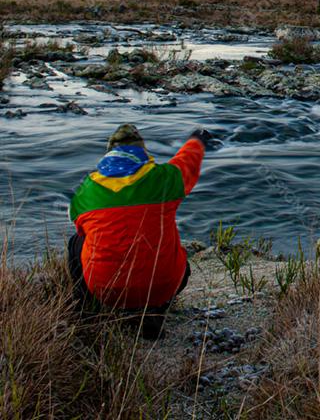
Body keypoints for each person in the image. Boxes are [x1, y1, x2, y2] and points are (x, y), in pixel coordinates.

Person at [67, 123, 212, 338]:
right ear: (142, 152)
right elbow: (188, 160)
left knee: (75, 243)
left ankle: (85, 313)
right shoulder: (164, 179)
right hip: (161, 285)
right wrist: (198, 138)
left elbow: (79, 226)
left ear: (109, 154)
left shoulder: (87, 190)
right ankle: (153, 313)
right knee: (180, 259)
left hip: (106, 290)